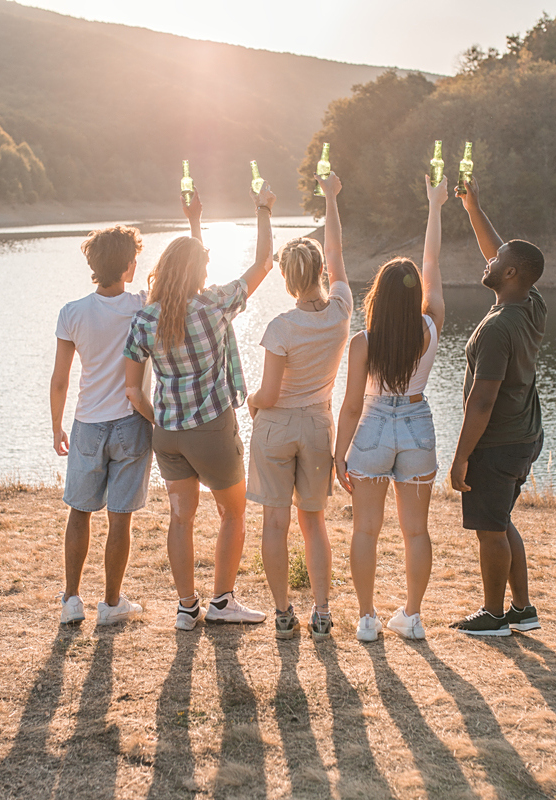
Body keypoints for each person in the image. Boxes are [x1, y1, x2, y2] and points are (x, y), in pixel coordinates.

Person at [123, 182, 277, 631]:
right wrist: (263, 209)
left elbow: (134, 392)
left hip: (167, 435)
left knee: (180, 517)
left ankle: (187, 608)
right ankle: (222, 602)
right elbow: (264, 263)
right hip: (211, 429)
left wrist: (163, 420)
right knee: (232, 512)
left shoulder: (145, 319)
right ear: (197, 274)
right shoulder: (213, 305)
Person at [334, 174, 447, 642]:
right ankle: (413, 617)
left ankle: (366, 619)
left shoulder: (363, 342)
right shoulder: (430, 325)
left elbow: (351, 405)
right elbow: (432, 261)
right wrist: (435, 205)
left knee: (366, 531)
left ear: (377, 297)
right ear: (414, 295)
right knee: (415, 533)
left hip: (375, 427)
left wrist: (339, 456)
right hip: (418, 424)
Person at [247, 171, 351, 640]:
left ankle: (285, 613)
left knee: (275, 520)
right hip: (317, 427)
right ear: (322, 273)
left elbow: (267, 396)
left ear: (288, 278)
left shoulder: (280, 327)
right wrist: (330, 199)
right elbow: (338, 252)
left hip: (276, 427)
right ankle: (323, 612)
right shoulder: (342, 310)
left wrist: (251, 401)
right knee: (314, 522)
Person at [448, 175, 546, 637]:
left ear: (509, 274)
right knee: (501, 518)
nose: (490, 260)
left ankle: (493, 617)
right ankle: (523, 611)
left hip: (498, 441)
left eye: (498, 261)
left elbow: (481, 399)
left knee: (490, 529)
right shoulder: (532, 303)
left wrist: (462, 456)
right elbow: (502, 251)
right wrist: (473, 209)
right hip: (525, 436)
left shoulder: (497, 328)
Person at [51, 225, 152, 627]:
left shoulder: (72, 312)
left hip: (87, 425)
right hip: (131, 423)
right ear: (129, 267)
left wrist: (56, 426)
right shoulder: (142, 306)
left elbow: (60, 379)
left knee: (79, 511)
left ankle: (72, 600)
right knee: (120, 517)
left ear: (93, 266)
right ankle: (111, 604)